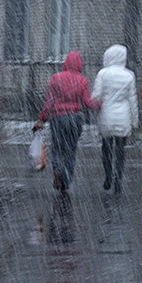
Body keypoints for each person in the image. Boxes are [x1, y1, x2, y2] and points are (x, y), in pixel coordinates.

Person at [34, 50, 100, 193]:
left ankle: (58, 170)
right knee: (70, 151)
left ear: (66, 63)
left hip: (58, 117)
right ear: (80, 64)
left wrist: (42, 119)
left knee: (57, 148)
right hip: (75, 118)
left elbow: (50, 102)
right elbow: (87, 102)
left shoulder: (56, 78)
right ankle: (66, 183)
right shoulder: (83, 80)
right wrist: (100, 103)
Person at [91, 44, 138, 194]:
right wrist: (134, 121)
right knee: (120, 151)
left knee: (106, 149)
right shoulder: (129, 75)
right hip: (123, 116)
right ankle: (118, 179)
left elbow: (96, 96)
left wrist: (95, 103)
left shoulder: (103, 74)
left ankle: (108, 176)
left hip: (107, 116)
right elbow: (132, 101)